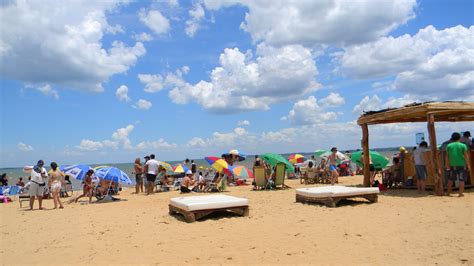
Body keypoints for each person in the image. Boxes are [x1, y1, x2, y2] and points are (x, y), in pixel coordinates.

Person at [446, 132, 471, 197]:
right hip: (462, 165)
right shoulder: (463, 145)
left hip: (452, 165)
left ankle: (448, 193)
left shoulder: (449, 146)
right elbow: (466, 156)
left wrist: (447, 165)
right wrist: (468, 165)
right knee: (461, 180)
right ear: (459, 138)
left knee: (450, 179)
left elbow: (447, 157)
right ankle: (460, 193)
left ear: (452, 138)